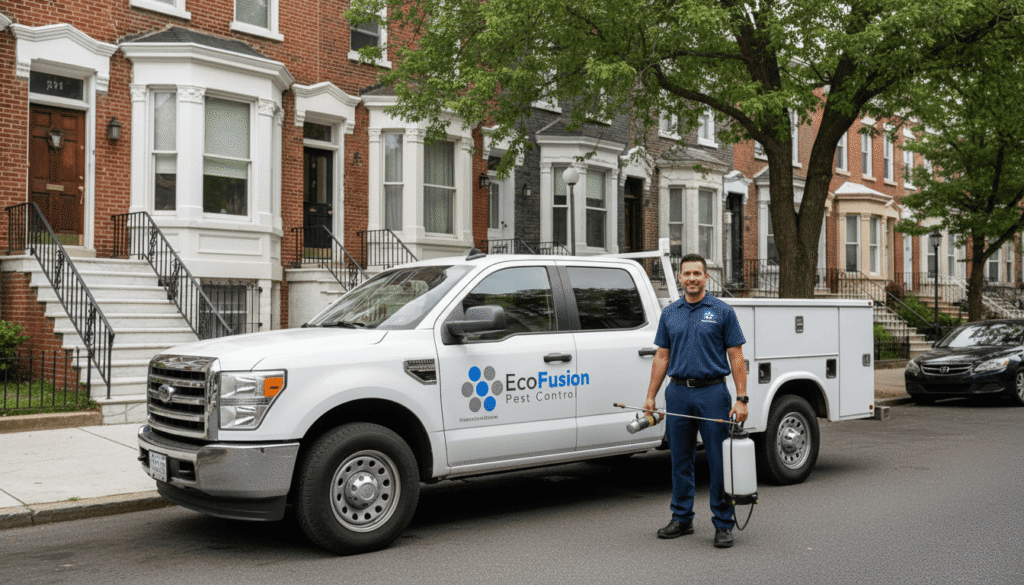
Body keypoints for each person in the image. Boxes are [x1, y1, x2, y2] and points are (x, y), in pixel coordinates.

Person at [644, 253, 748, 548]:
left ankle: (723, 524)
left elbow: (736, 356)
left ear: (706, 277)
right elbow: (661, 356)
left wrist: (741, 398)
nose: (691, 278)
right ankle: (681, 518)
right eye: (686, 273)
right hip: (677, 393)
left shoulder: (722, 311)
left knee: (717, 461)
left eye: (697, 274)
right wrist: (651, 395)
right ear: (679, 277)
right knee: (680, 459)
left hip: (713, 392)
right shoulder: (670, 313)